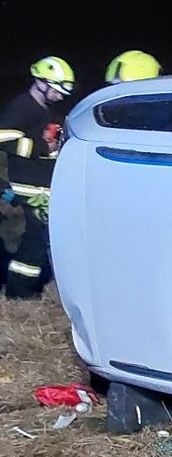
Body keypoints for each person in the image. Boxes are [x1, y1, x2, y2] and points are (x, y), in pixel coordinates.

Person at [0, 56, 73, 298]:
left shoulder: (45, 110)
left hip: (43, 185)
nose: (60, 96)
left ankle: (23, 290)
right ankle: (19, 292)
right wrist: (40, 148)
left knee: (39, 240)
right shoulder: (21, 107)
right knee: (35, 241)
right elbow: (3, 138)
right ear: (41, 82)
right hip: (28, 185)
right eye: (57, 89)